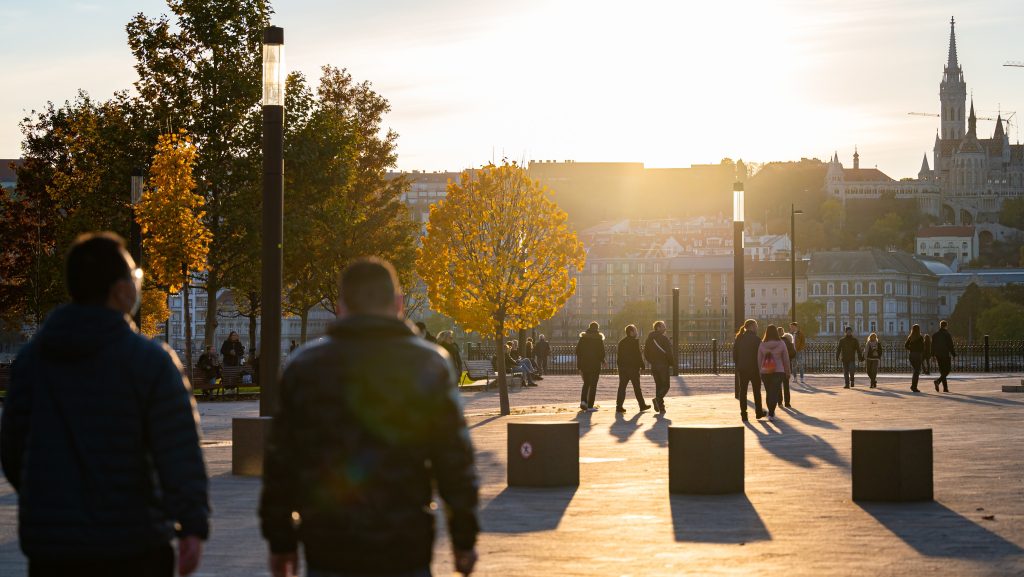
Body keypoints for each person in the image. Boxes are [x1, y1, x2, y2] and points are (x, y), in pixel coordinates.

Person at [1, 232, 209, 577]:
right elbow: (178, 450)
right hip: (134, 543)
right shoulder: (151, 362)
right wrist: (192, 524)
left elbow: (12, 449)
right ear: (119, 289)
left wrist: (50, 498)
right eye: (134, 275)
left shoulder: (31, 362)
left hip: (54, 548)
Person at [260, 257, 479, 577]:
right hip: (404, 541)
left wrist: (281, 541)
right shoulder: (428, 363)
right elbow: (453, 459)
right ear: (399, 304)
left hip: (329, 543)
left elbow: (281, 463)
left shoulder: (304, 366)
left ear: (341, 306)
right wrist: (464, 537)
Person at [758, 324, 791, 422]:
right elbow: (786, 359)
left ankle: (770, 411)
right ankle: (772, 412)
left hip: (765, 371)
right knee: (774, 391)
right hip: (778, 371)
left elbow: (759, 359)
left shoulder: (762, 344)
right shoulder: (781, 343)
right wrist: (787, 371)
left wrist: (760, 371)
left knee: (769, 392)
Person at [733, 319, 765, 421]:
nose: (757, 327)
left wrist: (738, 365)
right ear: (752, 326)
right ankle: (759, 412)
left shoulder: (739, 338)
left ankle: (744, 414)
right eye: (756, 325)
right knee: (757, 391)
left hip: (742, 369)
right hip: (755, 369)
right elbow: (761, 355)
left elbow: (734, 355)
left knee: (743, 392)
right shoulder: (757, 340)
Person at [615, 325, 651, 413]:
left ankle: (619, 406)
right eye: (635, 331)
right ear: (631, 332)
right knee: (637, 388)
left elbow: (619, 356)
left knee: (622, 387)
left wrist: (620, 367)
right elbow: (637, 355)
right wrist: (642, 365)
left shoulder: (621, 342)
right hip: (633, 368)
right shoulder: (634, 342)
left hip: (623, 368)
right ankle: (642, 405)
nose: (637, 333)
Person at [643, 320, 674, 413]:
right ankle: (657, 400)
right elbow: (669, 352)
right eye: (663, 326)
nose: (665, 328)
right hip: (663, 365)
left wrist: (652, 361)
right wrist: (671, 363)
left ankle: (661, 407)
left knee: (659, 386)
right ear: (658, 328)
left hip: (654, 366)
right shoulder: (664, 339)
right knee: (666, 386)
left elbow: (646, 353)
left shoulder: (649, 339)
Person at [575, 322, 606, 410]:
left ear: (589, 327)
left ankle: (583, 401)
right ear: (597, 328)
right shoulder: (598, 339)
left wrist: (579, 366)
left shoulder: (583, 338)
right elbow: (601, 353)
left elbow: (578, 351)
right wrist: (603, 361)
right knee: (593, 385)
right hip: (595, 365)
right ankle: (590, 405)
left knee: (586, 383)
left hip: (584, 364)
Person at [931, 320, 956, 393]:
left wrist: (932, 355)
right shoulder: (947, 334)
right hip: (945, 354)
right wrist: (954, 354)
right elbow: (950, 345)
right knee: (947, 370)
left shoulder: (935, 335)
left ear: (940, 325)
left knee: (942, 371)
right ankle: (938, 381)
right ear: (946, 326)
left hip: (938, 355)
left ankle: (945, 388)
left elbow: (932, 346)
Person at [777, 326, 796, 408]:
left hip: (778, 366)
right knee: (786, 385)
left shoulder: (776, 342)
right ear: (783, 332)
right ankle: (787, 403)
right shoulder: (788, 342)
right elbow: (794, 353)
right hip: (786, 365)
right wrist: (788, 358)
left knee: (778, 385)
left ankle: (780, 402)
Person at [905, 325, 925, 393]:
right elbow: (922, 347)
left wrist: (911, 349)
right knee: (917, 371)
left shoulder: (910, 337)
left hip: (911, 355)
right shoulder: (920, 337)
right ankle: (914, 386)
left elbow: (906, 346)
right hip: (918, 355)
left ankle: (913, 386)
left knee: (915, 371)